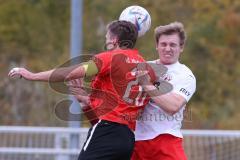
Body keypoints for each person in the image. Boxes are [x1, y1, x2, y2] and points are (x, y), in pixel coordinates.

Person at [8, 20, 156, 160]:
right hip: (128, 138)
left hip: (107, 131)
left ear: (114, 40)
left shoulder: (109, 58)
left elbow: (70, 73)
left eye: (107, 36)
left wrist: (32, 76)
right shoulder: (148, 69)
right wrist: (85, 100)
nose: (105, 40)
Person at [131, 22, 196, 160]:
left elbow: (172, 106)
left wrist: (148, 84)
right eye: (163, 44)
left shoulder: (185, 75)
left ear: (181, 47)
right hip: (135, 142)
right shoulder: (144, 67)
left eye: (173, 45)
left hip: (166, 142)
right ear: (157, 46)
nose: (167, 48)